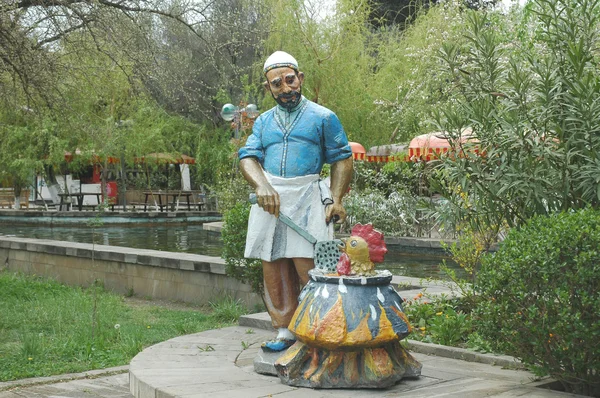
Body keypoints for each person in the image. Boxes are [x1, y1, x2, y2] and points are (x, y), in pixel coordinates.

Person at [238, 51, 353, 351]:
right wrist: (262, 185)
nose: (286, 88)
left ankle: (319, 331)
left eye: (290, 80)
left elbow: (342, 158)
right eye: (277, 84)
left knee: (310, 265)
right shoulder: (263, 122)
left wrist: (337, 199)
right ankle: (285, 331)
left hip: (308, 196)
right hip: (270, 200)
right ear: (269, 88)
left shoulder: (323, 117)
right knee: (273, 264)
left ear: (300, 78)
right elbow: (247, 157)